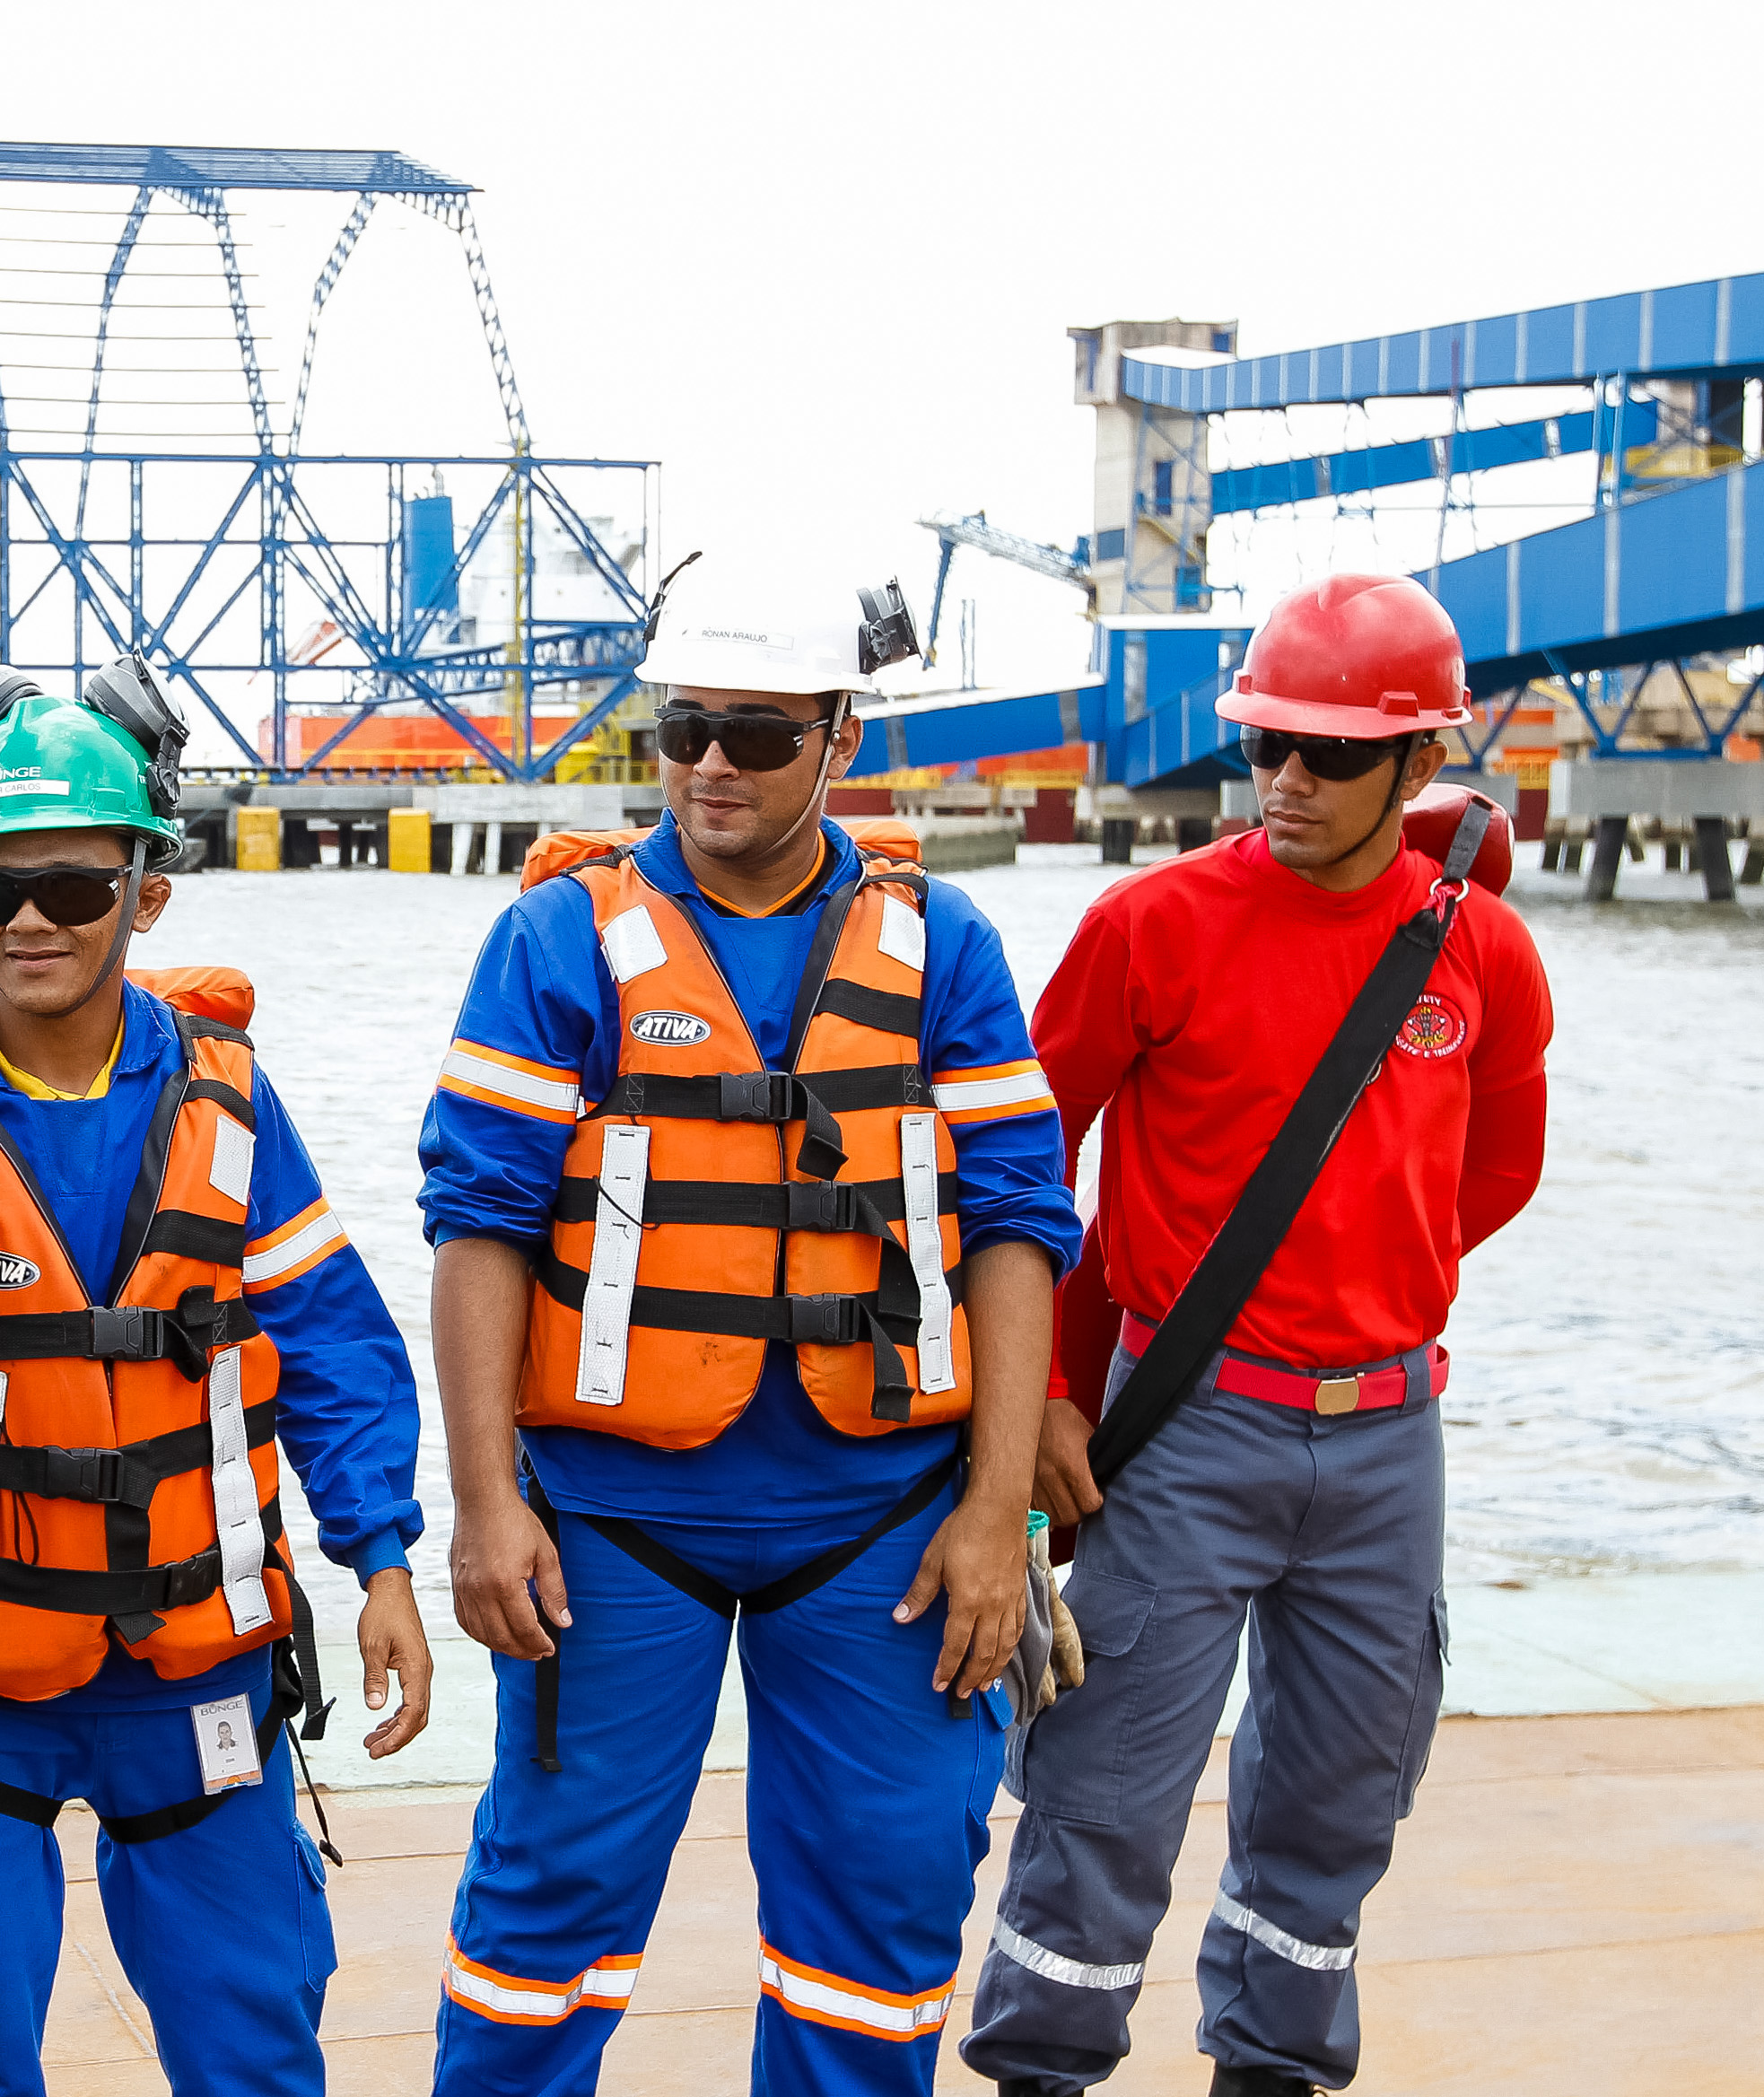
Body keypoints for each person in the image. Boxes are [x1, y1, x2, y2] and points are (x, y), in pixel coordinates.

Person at [420, 565, 1080, 2096]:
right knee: (545, 1915)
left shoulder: (946, 946)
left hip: (885, 1527)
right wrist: (479, 1504)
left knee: (884, 1912)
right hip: (608, 1524)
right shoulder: (555, 940)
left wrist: (997, 1516)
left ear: (836, 739)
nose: (712, 761)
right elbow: (477, 1224)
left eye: (758, 735)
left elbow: (1018, 1228)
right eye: (684, 726)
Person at [0, 659, 433, 2097]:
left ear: (147, 890)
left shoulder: (228, 1093)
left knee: (252, 2031)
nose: (28, 918)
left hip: (197, 1668)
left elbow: (332, 1335)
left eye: (74, 888)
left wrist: (382, 1558)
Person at [961, 574, 1554, 2097]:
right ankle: (1039, 2074)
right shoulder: (1149, 924)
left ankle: (1272, 2073)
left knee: (1342, 1799)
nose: (1285, 779)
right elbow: (1017, 1173)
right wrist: (1040, 1409)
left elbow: (1492, 1174)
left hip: (1387, 1441)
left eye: (1327, 753)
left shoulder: (1479, 952)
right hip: (1186, 1427)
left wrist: (1359, 1291)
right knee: (1101, 1796)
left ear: (1419, 764)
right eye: (1264, 745)